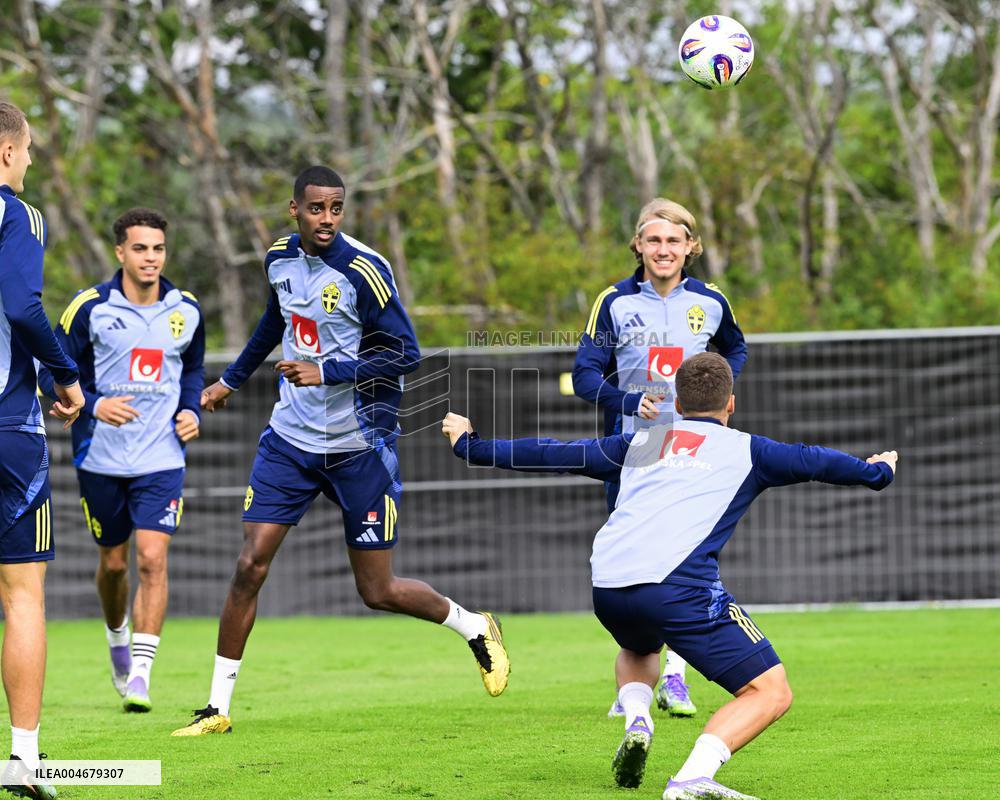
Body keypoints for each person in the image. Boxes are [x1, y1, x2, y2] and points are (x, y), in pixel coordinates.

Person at [443, 353, 897, 799]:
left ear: (676, 404)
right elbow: (815, 460)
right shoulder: (751, 450)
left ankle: (637, 718)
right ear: (731, 404)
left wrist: (470, 444)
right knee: (770, 692)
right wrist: (877, 471)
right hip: (676, 589)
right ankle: (692, 779)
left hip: (609, 589)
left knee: (639, 645)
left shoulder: (642, 442)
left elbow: (553, 452)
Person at [171, 165, 509, 737]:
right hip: (290, 442)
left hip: (358, 446)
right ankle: (216, 708)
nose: (326, 219)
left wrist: (326, 370)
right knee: (249, 565)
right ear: (294, 209)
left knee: (377, 591)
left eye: (336, 209)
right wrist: (231, 380)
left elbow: (406, 354)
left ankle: (474, 626)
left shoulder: (364, 270)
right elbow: (272, 322)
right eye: (316, 209)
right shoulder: (278, 258)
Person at [573, 198, 747, 719]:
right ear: (638, 246)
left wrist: (717, 389)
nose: (664, 249)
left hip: (695, 448)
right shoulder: (613, 302)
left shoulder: (712, 302)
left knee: (690, 556)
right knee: (637, 560)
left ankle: (675, 675)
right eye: (654, 240)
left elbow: (736, 350)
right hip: (638, 449)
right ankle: (642, 673)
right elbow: (584, 373)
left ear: (691, 247)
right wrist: (627, 401)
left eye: (674, 241)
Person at [38, 208, 205, 713]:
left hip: (162, 457)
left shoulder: (187, 309)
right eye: (139, 248)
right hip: (100, 460)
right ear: (120, 252)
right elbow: (51, 370)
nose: (149, 257)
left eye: (157, 248)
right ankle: (116, 637)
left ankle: (141, 675)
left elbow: (193, 368)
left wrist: (191, 409)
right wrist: (90, 401)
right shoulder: (89, 308)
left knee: (153, 559)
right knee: (114, 565)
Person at [0, 101, 84, 799]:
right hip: (7, 430)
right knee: (22, 592)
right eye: (27, 151)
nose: (28, 162)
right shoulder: (17, 215)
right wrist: (64, 375)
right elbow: (24, 306)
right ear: (6, 153)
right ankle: (23, 760)